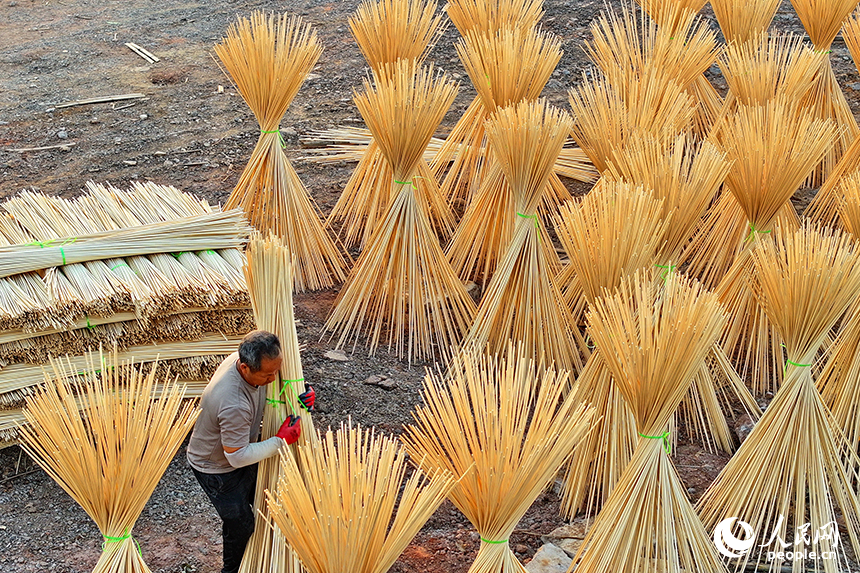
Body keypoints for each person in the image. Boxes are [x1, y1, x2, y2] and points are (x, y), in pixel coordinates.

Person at [186, 330, 315, 573]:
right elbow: (237, 457)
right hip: (216, 468)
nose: (274, 378)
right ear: (245, 368)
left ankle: (261, 558)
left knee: (264, 501)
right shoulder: (233, 401)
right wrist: (280, 441)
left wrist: (303, 390)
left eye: (277, 370)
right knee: (240, 523)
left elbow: (282, 380)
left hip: (242, 447)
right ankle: (233, 570)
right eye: (268, 375)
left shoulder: (249, 360)